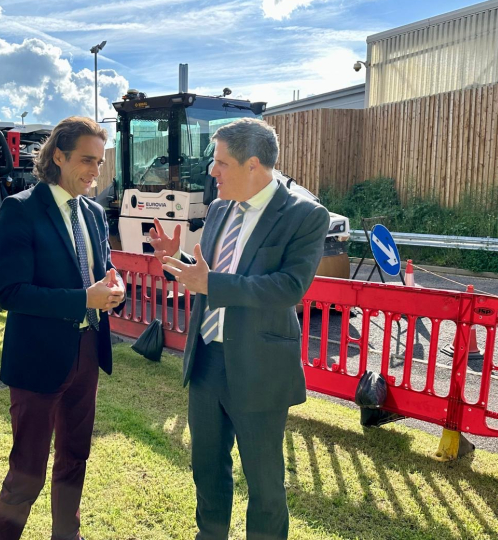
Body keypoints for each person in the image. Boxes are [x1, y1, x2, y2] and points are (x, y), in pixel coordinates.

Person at [149, 118, 330, 540]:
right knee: (207, 469)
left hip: (260, 368)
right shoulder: (216, 210)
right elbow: (207, 275)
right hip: (208, 359)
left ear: (253, 166)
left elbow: (288, 288)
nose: (212, 171)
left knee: (265, 484)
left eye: (220, 163)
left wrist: (211, 283)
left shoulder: (305, 215)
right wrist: (174, 260)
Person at [0, 116, 125, 540]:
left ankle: (67, 534)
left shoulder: (96, 213)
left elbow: (101, 270)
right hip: (37, 359)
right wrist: (84, 298)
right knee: (27, 471)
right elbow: (11, 292)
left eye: (100, 163)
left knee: (74, 458)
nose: (94, 171)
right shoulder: (21, 209)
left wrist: (114, 285)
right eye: (87, 160)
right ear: (59, 156)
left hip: (87, 353)